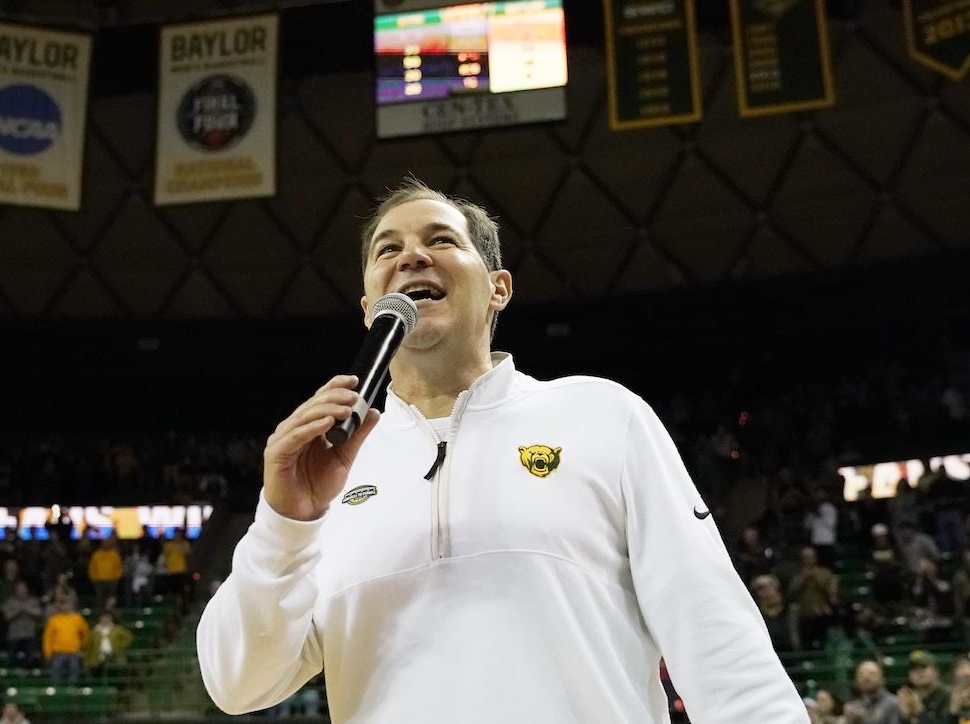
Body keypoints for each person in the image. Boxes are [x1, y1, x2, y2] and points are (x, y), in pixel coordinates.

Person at [196, 178, 806, 721]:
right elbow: (238, 683)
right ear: (367, 308)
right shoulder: (322, 481)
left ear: (498, 288)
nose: (411, 255)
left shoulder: (600, 414)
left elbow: (719, 641)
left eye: (440, 240)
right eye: (388, 248)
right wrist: (285, 524)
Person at [789, 546, 838, 650]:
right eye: (806, 557)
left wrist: (814, 577)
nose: (809, 560)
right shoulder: (797, 575)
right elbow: (791, 593)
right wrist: (804, 578)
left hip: (823, 613)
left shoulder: (824, 572)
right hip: (804, 614)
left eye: (811, 557)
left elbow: (830, 590)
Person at [42, 598, 88, 684]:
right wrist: (47, 653)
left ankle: (71, 695)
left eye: (67, 604)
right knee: (56, 678)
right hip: (58, 653)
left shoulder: (77, 618)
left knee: (73, 678)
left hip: (73, 653)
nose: (65, 606)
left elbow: (85, 633)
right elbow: (48, 637)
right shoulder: (54, 620)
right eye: (62, 604)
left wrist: (81, 646)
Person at [897, 651, 950, 723]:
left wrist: (920, 713)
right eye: (914, 669)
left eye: (923, 667)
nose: (919, 672)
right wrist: (905, 717)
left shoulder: (948, 696)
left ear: (935, 671)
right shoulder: (909, 698)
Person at [1, 582, 43, 664]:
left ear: (27, 590)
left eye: (23, 589)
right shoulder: (10, 601)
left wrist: (27, 610)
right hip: (14, 637)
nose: (21, 591)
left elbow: (39, 613)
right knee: (13, 661)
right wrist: (19, 611)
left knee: (30, 661)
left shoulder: (33, 601)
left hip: (29, 636)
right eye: (19, 589)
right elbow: (7, 616)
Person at [82, 610, 133, 676]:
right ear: (100, 618)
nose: (106, 619)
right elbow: (89, 645)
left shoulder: (117, 629)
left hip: (113, 656)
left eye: (108, 618)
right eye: (104, 617)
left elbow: (129, 637)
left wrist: (119, 645)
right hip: (97, 657)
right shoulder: (94, 631)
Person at [87, 538, 122, 610]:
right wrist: (93, 578)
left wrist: (116, 579)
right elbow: (92, 567)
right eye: (105, 543)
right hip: (99, 581)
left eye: (108, 543)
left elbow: (118, 568)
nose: (106, 544)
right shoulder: (96, 554)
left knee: (111, 600)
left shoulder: (115, 555)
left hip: (112, 581)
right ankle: (101, 616)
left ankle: (112, 615)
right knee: (100, 600)